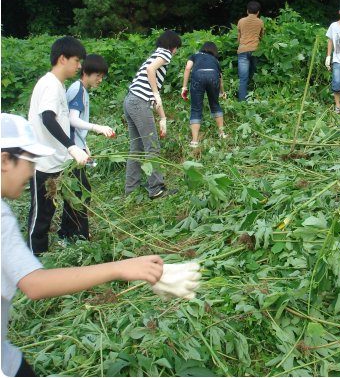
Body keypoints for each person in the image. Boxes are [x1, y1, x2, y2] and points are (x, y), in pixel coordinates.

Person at [1, 113, 201, 377]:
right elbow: (34, 284)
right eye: (29, 161)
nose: (32, 171)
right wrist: (122, 268)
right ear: (5, 160)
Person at [27, 36, 91, 255]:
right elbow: (47, 118)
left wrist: (75, 147)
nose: (79, 66)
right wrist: (71, 146)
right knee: (42, 216)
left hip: (58, 161)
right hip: (43, 164)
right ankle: (35, 259)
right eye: (76, 60)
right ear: (62, 59)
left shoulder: (57, 85)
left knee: (75, 197)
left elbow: (61, 120)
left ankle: (70, 239)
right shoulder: (49, 85)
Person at [124, 30, 181, 199]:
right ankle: (156, 189)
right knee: (152, 147)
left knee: (137, 149)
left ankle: (131, 190)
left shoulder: (154, 54)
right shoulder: (165, 54)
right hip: (139, 102)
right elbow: (151, 72)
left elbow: (150, 90)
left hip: (130, 101)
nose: (176, 52)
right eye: (177, 48)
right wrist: (156, 94)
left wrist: (162, 117)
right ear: (172, 46)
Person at [64, 54, 115, 243]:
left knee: (78, 191)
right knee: (81, 192)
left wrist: (85, 146)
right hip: (69, 152)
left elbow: (76, 126)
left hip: (76, 149)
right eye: (97, 76)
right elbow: (72, 119)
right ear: (86, 72)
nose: (100, 80)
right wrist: (98, 128)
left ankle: (69, 233)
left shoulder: (83, 91)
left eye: (102, 76)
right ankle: (77, 235)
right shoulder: (77, 89)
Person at [181, 42, 227, 146]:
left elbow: (188, 68)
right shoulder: (214, 59)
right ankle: (222, 133)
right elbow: (220, 77)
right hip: (213, 75)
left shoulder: (195, 55)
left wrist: (184, 87)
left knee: (196, 108)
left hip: (198, 75)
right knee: (215, 105)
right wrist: (222, 92)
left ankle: (194, 141)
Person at [236, 1, 264, 101]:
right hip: (255, 50)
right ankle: (254, 95)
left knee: (243, 78)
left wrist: (240, 44)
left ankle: (241, 102)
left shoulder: (241, 21)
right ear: (258, 12)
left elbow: (238, 38)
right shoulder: (260, 22)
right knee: (253, 73)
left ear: (247, 11)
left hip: (243, 50)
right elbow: (262, 37)